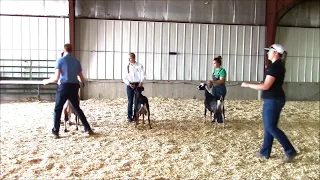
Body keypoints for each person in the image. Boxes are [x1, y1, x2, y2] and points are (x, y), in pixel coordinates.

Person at [241, 44, 297, 163]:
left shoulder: (274, 68)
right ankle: (264, 152)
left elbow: (266, 86)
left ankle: (290, 150)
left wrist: (248, 85)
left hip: (273, 100)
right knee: (269, 127)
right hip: (275, 98)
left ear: (275, 53)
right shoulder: (278, 66)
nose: (267, 53)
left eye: (269, 51)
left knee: (271, 127)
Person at [43, 44, 94, 138]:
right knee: (77, 108)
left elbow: (56, 77)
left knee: (58, 109)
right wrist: (82, 84)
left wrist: (47, 81)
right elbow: (81, 77)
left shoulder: (60, 60)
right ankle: (88, 128)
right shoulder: (76, 61)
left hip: (63, 86)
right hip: (74, 86)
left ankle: (56, 131)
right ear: (72, 50)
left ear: (64, 50)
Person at [122, 53, 146, 122]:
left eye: (130, 58)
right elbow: (124, 78)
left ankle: (136, 116)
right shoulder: (126, 67)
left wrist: (141, 82)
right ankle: (129, 117)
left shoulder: (139, 66)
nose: (129, 59)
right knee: (130, 101)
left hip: (137, 85)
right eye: (128, 58)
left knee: (137, 101)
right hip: (130, 85)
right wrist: (128, 84)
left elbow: (143, 75)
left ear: (134, 58)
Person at [207, 56, 227, 123]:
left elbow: (222, 81)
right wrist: (210, 84)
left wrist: (213, 81)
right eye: (213, 63)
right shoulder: (215, 71)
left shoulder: (222, 71)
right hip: (214, 89)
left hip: (220, 89)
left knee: (219, 104)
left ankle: (220, 118)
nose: (214, 65)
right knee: (214, 103)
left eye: (215, 63)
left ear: (218, 63)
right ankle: (215, 117)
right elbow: (214, 81)